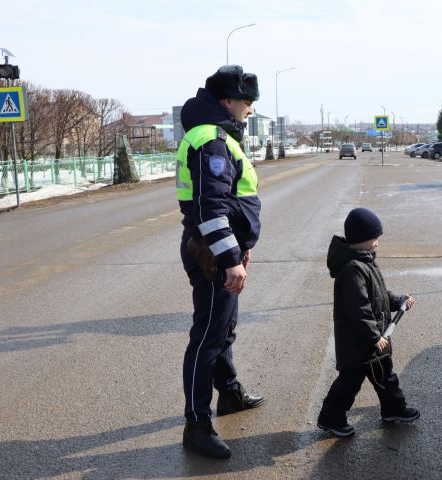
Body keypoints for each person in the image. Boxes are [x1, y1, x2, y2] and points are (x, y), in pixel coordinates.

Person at [177, 65, 264, 459]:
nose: (249, 110)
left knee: (223, 329)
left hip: (220, 248)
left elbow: (229, 200)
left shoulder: (218, 134)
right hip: (211, 254)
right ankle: (197, 424)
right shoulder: (211, 140)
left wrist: (239, 246)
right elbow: (209, 206)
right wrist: (230, 257)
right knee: (208, 340)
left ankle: (229, 394)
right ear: (228, 101)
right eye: (247, 102)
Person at [317, 207, 419, 438]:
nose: (377, 242)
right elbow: (359, 311)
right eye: (375, 238)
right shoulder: (352, 270)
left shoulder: (366, 261)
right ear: (361, 239)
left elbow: (378, 295)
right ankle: (331, 417)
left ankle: (393, 409)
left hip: (374, 341)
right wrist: (375, 337)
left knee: (385, 377)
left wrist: (396, 300)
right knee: (350, 382)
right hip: (361, 342)